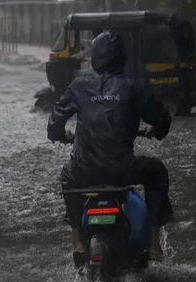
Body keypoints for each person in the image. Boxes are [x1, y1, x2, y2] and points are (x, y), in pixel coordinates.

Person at [47, 31, 173, 266]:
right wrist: (155, 130)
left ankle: (77, 242)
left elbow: (54, 124)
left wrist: (61, 136)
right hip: (122, 171)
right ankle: (155, 245)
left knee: (66, 176)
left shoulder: (79, 85)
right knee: (157, 172)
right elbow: (163, 121)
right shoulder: (133, 87)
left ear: (95, 57)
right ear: (122, 58)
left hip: (82, 171)